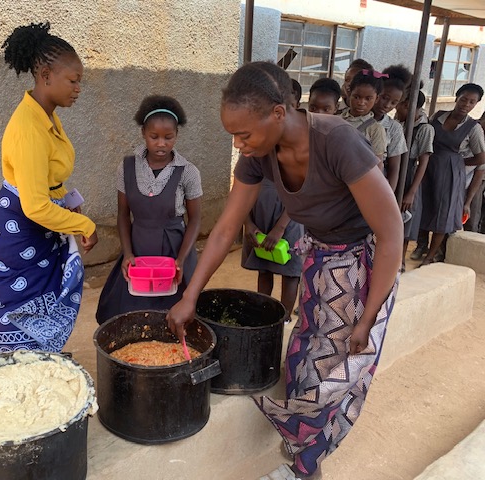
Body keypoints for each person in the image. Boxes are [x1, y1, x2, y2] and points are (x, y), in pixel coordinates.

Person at [167, 61, 402, 480]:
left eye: (244, 134)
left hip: (361, 269)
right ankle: (302, 461)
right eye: (233, 136)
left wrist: (368, 318)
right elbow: (224, 230)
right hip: (318, 260)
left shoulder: (337, 141)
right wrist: (188, 297)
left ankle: (306, 466)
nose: (239, 145)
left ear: (278, 113)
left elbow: (391, 234)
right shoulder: (260, 155)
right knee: (302, 358)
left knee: (338, 372)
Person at [0, 23, 98, 354]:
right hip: (20, 229)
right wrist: (85, 225)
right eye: (73, 81)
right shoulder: (29, 128)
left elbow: (50, 178)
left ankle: (40, 358)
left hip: (36, 228)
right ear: (45, 76)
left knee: (41, 300)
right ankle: (22, 364)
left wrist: (70, 201)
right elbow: (36, 207)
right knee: (17, 305)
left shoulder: (47, 117)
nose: (78, 89)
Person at [95, 95, 202, 324]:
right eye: (154, 137)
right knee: (132, 311)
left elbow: (195, 220)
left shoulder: (188, 171)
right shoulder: (127, 167)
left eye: (168, 137)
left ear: (177, 136)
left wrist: (181, 260)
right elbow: (123, 214)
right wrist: (128, 253)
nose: (161, 143)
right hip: (138, 249)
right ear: (143, 133)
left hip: (175, 251)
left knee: (174, 310)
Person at [241, 82, 303, 318]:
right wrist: (249, 223)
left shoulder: (299, 147)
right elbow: (241, 191)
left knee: (290, 270)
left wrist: (280, 227)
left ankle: (284, 318)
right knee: (263, 267)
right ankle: (264, 314)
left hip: (289, 218)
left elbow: (301, 194)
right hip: (259, 215)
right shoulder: (255, 148)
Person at [419, 83, 485, 266]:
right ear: (457, 97)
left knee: (444, 214)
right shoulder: (438, 116)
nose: (466, 104)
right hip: (429, 168)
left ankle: (430, 256)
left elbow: (481, 157)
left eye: (472, 102)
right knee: (425, 206)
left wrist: (458, 162)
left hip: (451, 175)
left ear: (476, 104)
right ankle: (421, 247)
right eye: (464, 99)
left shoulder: (473, 128)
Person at [394, 90, 433, 271]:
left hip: (410, 173)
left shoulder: (425, 129)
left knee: (406, 217)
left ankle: (400, 259)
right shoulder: (398, 123)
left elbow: (423, 160)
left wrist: (411, 191)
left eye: (399, 103)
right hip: (396, 169)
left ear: (407, 106)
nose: (395, 107)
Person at [372, 65, 411, 191]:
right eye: (384, 98)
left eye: (394, 102)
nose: (387, 105)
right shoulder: (354, 117)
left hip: (375, 182)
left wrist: (389, 194)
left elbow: (394, 168)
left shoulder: (395, 128)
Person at [339, 69, 388, 162]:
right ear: (349, 93)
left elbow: (378, 163)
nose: (361, 103)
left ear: (376, 99)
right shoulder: (337, 119)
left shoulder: (376, 129)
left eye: (368, 99)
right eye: (356, 97)